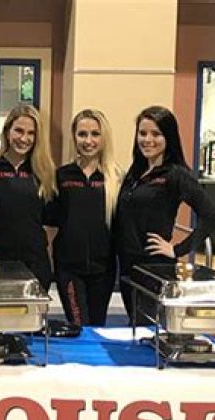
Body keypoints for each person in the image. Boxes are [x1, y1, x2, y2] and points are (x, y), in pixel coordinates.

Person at [115, 105, 215, 324]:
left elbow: (212, 217)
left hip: (153, 265)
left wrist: (177, 249)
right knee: (134, 324)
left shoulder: (176, 174)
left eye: (156, 134)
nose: (148, 140)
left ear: (169, 137)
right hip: (127, 263)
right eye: (143, 133)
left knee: (147, 326)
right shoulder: (136, 172)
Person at [49, 109, 123, 327]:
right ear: (74, 137)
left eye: (95, 134)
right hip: (69, 268)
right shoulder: (62, 175)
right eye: (82, 134)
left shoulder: (116, 177)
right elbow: (51, 215)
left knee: (97, 326)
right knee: (79, 325)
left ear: (104, 137)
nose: (88, 141)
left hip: (104, 269)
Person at [0, 104, 57, 290]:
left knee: (32, 310)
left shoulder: (44, 171)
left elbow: (51, 216)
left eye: (31, 133)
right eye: (19, 130)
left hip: (35, 261)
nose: (24, 138)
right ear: (7, 131)